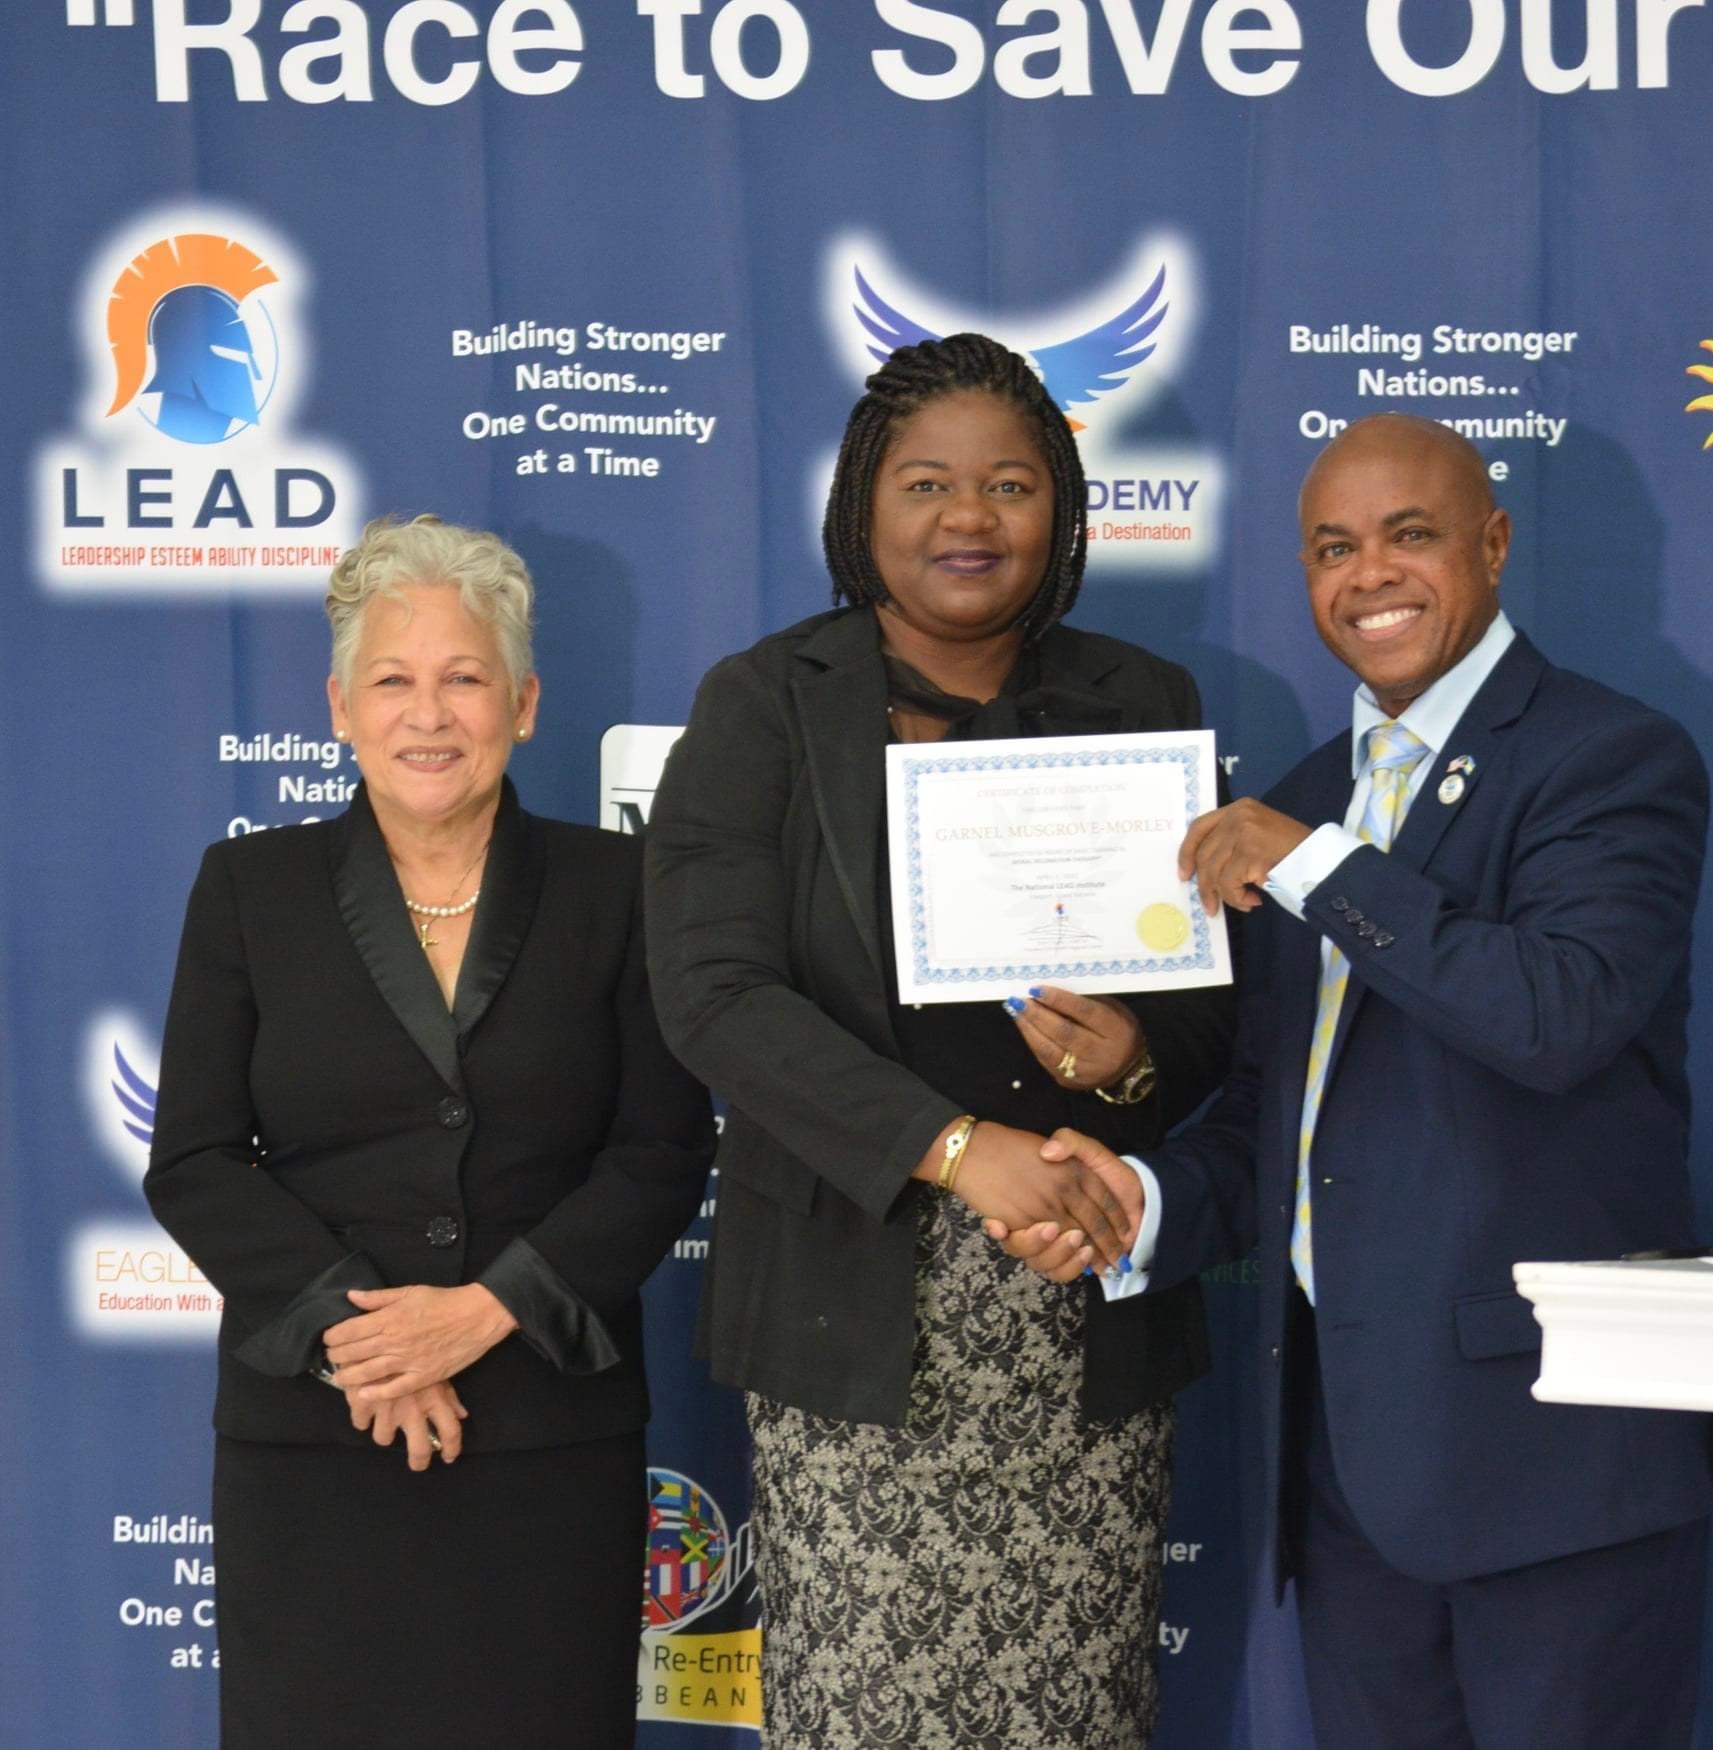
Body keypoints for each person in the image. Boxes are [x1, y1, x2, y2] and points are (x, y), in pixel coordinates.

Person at [1006, 413, 1713, 1749]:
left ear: (1493, 543)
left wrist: (1317, 867)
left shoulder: (1607, 756)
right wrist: (1140, 1199)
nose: (1369, 575)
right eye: (1331, 548)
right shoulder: (1305, 798)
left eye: (1409, 535)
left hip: (1559, 1465)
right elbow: (1278, 1112)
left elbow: (1557, 1014)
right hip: (1349, 1469)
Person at [642, 333, 1237, 1749]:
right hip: (852, 1314)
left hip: (1081, 1294)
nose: (969, 517)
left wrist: (1129, 1058)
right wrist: (959, 1149)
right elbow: (713, 992)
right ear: (863, 505)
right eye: (926, 483)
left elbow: (1212, 1018)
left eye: (1009, 484)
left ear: (1061, 507)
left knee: (1075, 1713)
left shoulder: (1145, 700)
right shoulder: (762, 701)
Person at [144, 515, 715, 1750]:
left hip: (547, 1436)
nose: (429, 714)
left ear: (524, 703)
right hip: (315, 1437)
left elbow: (664, 1152)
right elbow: (193, 1159)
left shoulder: (621, 890)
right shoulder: (249, 890)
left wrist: (486, 1310)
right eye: (393, 681)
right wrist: (369, 1341)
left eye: (465, 678)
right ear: (340, 708)